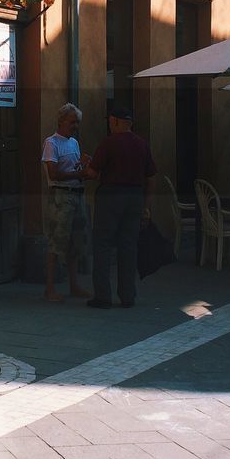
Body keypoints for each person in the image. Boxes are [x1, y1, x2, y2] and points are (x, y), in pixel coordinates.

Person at [85, 106, 157, 310]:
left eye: (110, 121)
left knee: (103, 245)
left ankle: (103, 296)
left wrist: (86, 164)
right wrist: (146, 206)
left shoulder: (109, 143)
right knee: (128, 247)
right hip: (134, 197)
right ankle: (127, 296)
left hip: (110, 196)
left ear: (115, 121)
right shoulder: (142, 144)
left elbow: (92, 173)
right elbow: (151, 178)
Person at [41, 103, 91, 301]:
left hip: (77, 194)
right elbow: (53, 172)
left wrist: (83, 166)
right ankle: (50, 288)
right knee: (57, 241)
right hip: (61, 197)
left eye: (77, 123)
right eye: (72, 122)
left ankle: (73, 285)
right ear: (61, 121)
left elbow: (74, 168)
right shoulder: (51, 143)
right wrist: (79, 173)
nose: (75, 126)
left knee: (75, 242)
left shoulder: (74, 143)